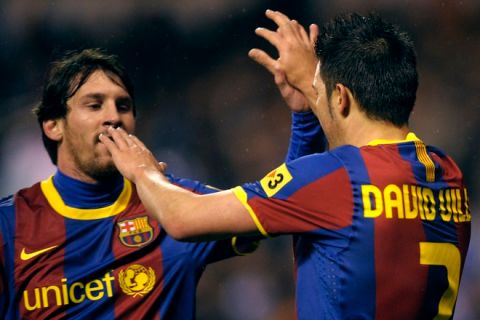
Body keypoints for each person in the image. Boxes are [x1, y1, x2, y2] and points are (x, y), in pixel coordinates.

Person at [101, 10, 472, 320]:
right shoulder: (447, 173)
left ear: (340, 96)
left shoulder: (339, 179)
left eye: (324, 90)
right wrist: (310, 106)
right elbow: (308, 205)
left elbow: (182, 219)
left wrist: (141, 169)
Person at [0, 46, 320, 319]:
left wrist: (305, 117)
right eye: (94, 105)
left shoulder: (174, 203)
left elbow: (278, 208)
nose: (114, 116)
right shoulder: (9, 226)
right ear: (53, 126)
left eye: (123, 106)